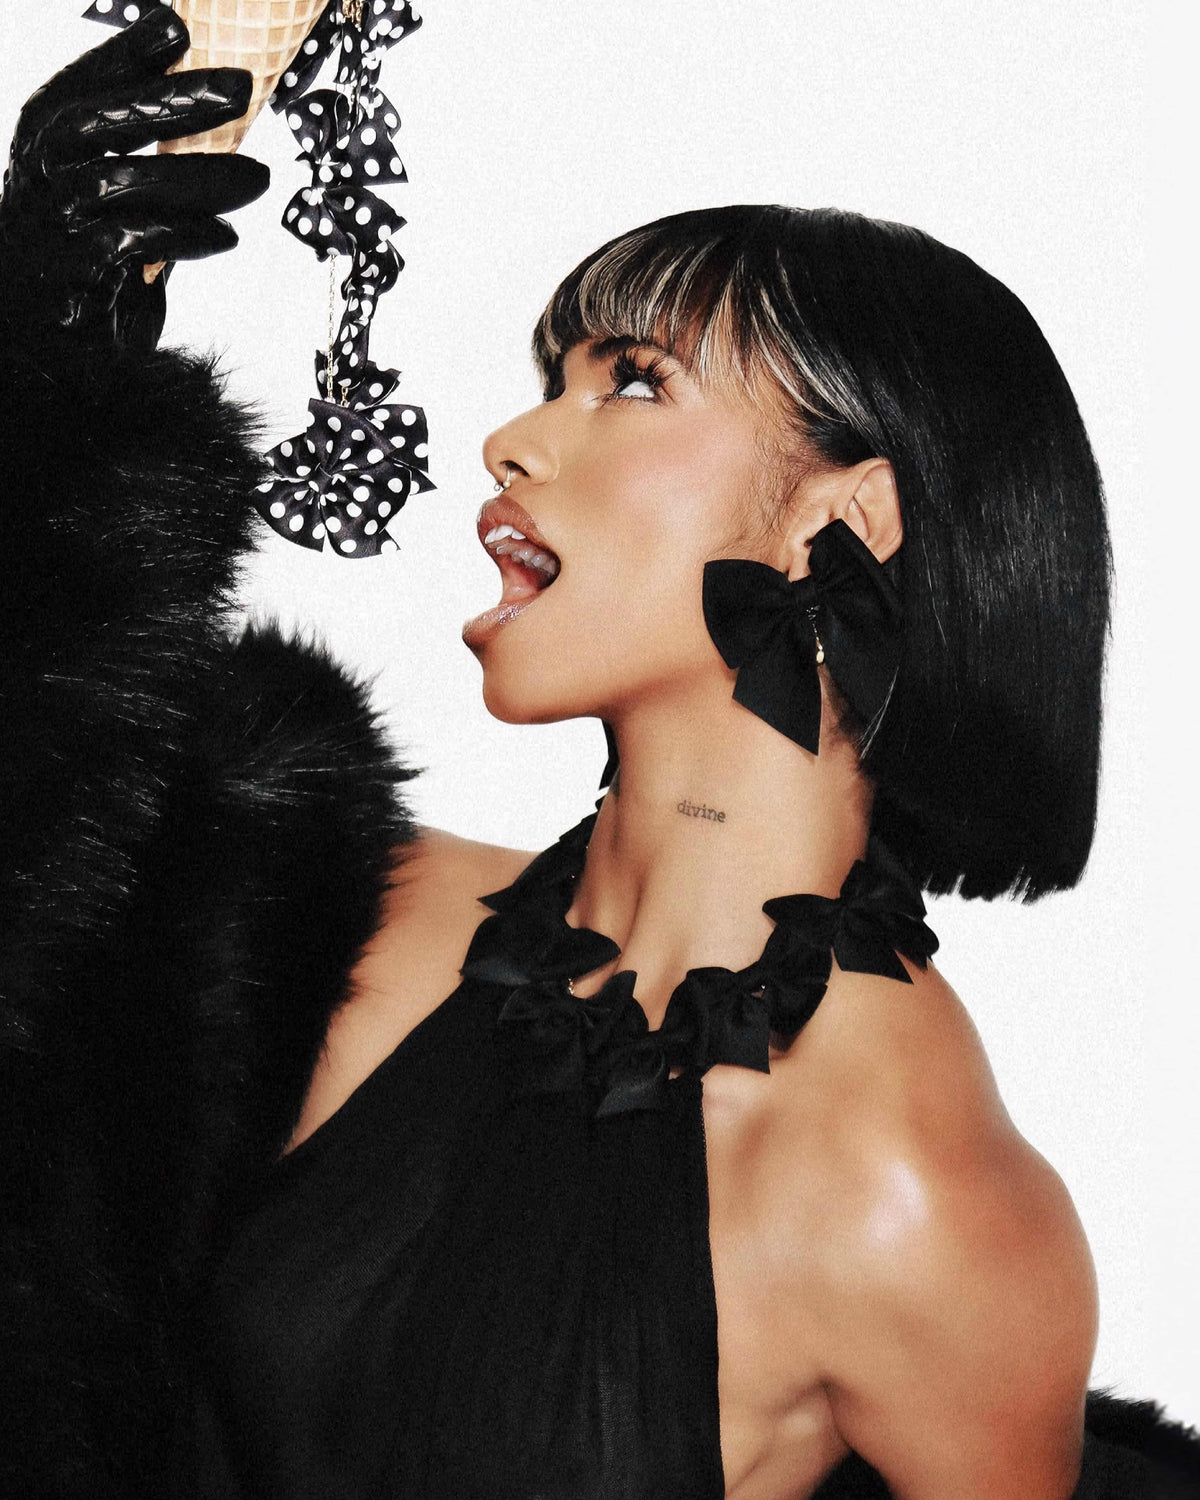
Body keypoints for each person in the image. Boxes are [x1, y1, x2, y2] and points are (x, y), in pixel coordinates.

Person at [0, 9, 1195, 1499]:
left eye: (632, 379)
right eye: (551, 375)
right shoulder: (327, 910)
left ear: (842, 521)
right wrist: (44, 390)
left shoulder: (912, 1200)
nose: (510, 438)